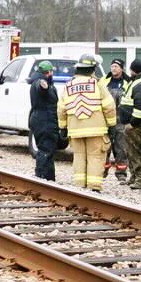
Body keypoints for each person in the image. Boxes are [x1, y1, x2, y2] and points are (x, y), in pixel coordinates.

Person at [56, 54, 117, 191]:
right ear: (92, 69)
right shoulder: (98, 85)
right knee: (95, 157)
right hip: (96, 129)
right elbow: (109, 106)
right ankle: (94, 186)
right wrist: (112, 125)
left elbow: (61, 109)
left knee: (79, 157)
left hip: (75, 129)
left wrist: (63, 127)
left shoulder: (68, 86)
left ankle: (80, 185)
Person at [120, 58, 141, 189]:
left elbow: (140, 107)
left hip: (138, 124)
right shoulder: (137, 81)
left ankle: (140, 179)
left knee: (137, 151)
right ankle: (134, 176)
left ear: (134, 70)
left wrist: (132, 123)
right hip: (133, 124)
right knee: (131, 152)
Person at [28, 60, 59, 181]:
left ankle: (46, 178)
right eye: (51, 72)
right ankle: (43, 178)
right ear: (48, 72)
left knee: (46, 149)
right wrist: (44, 87)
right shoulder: (40, 83)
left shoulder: (42, 82)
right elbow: (41, 89)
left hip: (41, 119)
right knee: (46, 149)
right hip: (45, 121)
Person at [102, 58, 129, 184]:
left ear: (121, 68)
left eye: (116, 67)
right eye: (112, 66)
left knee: (121, 148)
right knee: (104, 146)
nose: (113, 69)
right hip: (106, 120)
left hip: (121, 121)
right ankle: (102, 171)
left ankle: (121, 173)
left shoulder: (128, 82)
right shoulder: (104, 81)